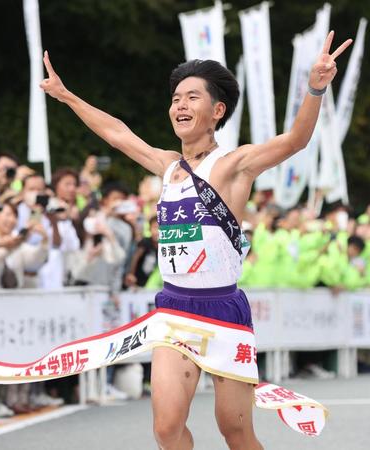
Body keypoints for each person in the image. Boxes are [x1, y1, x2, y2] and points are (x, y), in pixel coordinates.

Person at [41, 30, 352, 450]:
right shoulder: (167, 166)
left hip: (224, 311)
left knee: (236, 431)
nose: (180, 105)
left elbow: (295, 140)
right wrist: (67, 97)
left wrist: (316, 86)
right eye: (175, 99)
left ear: (217, 109)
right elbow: (117, 133)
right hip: (174, 311)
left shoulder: (234, 164)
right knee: (167, 428)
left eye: (191, 97)